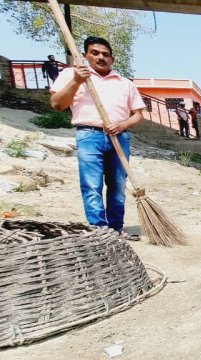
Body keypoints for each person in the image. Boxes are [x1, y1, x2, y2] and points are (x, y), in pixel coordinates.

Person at [50, 36, 144, 239]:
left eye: (105, 54)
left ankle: (117, 228)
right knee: (92, 185)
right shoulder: (71, 74)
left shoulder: (124, 83)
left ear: (112, 59)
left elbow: (138, 114)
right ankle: (99, 231)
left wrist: (123, 125)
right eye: (95, 53)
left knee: (118, 185)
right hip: (89, 135)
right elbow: (58, 104)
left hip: (120, 137)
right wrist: (76, 81)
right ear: (85, 55)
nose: (101, 57)